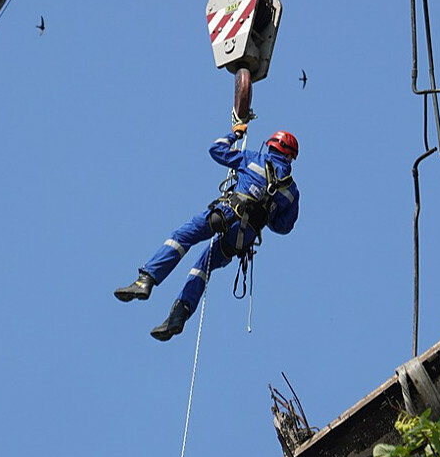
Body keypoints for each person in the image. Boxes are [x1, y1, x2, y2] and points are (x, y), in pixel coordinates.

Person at [114, 122, 300, 340]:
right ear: (289, 157)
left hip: (226, 214)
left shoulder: (252, 158)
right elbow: (283, 226)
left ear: (271, 146)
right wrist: (267, 209)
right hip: (243, 238)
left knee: (182, 237)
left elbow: (216, 149)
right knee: (203, 267)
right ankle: (178, 316)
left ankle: (145, 281)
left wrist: (235, 134)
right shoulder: (291, 190)